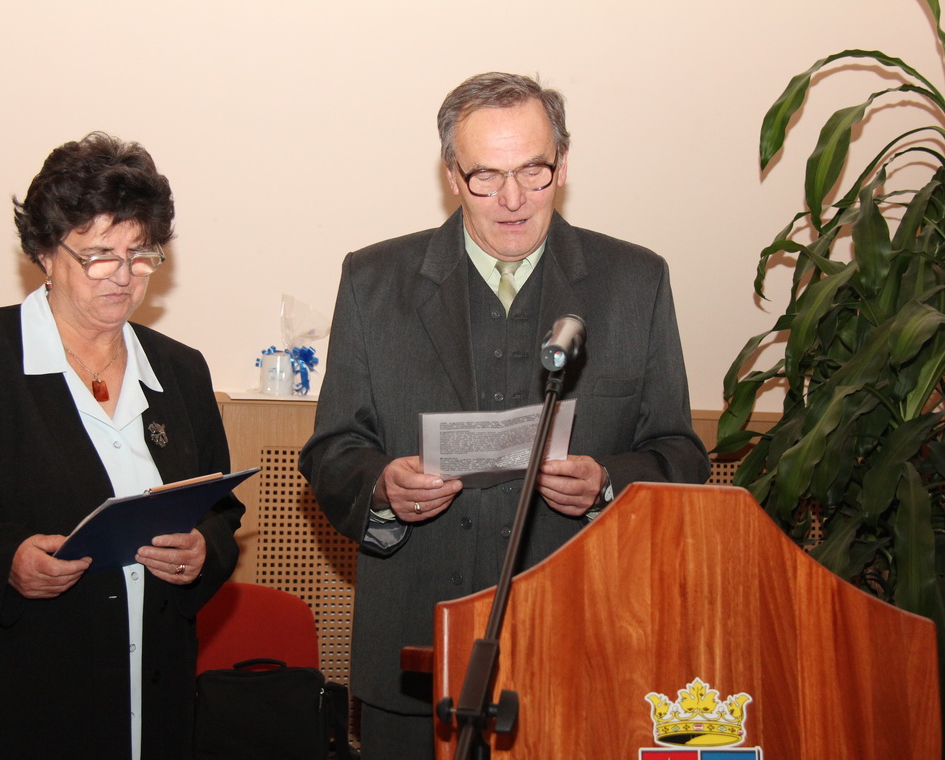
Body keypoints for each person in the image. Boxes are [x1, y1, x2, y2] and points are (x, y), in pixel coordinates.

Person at [298, 72, 710, 758]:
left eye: (533, 171)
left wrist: (606, 482)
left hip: (584, 648)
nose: (513, 199)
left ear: (563, 165)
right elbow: (333, 449)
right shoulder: (373, 280)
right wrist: (384, 489)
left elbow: (681, 454)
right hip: (415, 650)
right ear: (452, 176)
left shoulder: (635, 281)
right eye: (486, 176)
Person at [0, 132, 244, 760]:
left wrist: (203, 550)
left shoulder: (181, 370)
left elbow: (219, 509)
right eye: (99, 255)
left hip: (151, 695)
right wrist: (2, 558)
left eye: (141, 255)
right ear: (44, 251)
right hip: (6, 697)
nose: (123, 276)